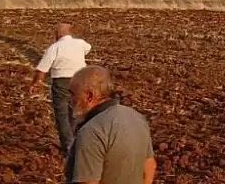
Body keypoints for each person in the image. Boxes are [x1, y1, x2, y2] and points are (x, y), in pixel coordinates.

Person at [65, 66, 156, 184]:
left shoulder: (92, 131)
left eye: (73, 94)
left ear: (90, 96)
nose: (69, 100)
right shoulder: (137, 117)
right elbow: (149, 167)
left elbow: (87, 182)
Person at [31, 23, 92, 157]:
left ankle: (69, 146)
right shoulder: (81, 43)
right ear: (70, 33)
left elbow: (42, 69)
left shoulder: (54, 47)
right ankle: (77, 142)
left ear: (58, 34)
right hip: (80, 80)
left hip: (61, 82)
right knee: (76, 111)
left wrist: (36, 83)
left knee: (62, 114)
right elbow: (88, 48)